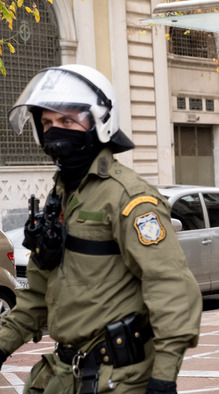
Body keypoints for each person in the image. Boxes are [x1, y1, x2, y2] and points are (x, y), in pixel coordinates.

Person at [0, 64, 203, 394]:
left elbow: (172, 289)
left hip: (119, 379)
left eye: (67, 121)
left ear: (100, 122)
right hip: (63, 375)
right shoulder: (60, 198)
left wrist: (164, 378)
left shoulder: (128, 196)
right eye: (47, 122)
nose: (54, 132)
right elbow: (37, 295)